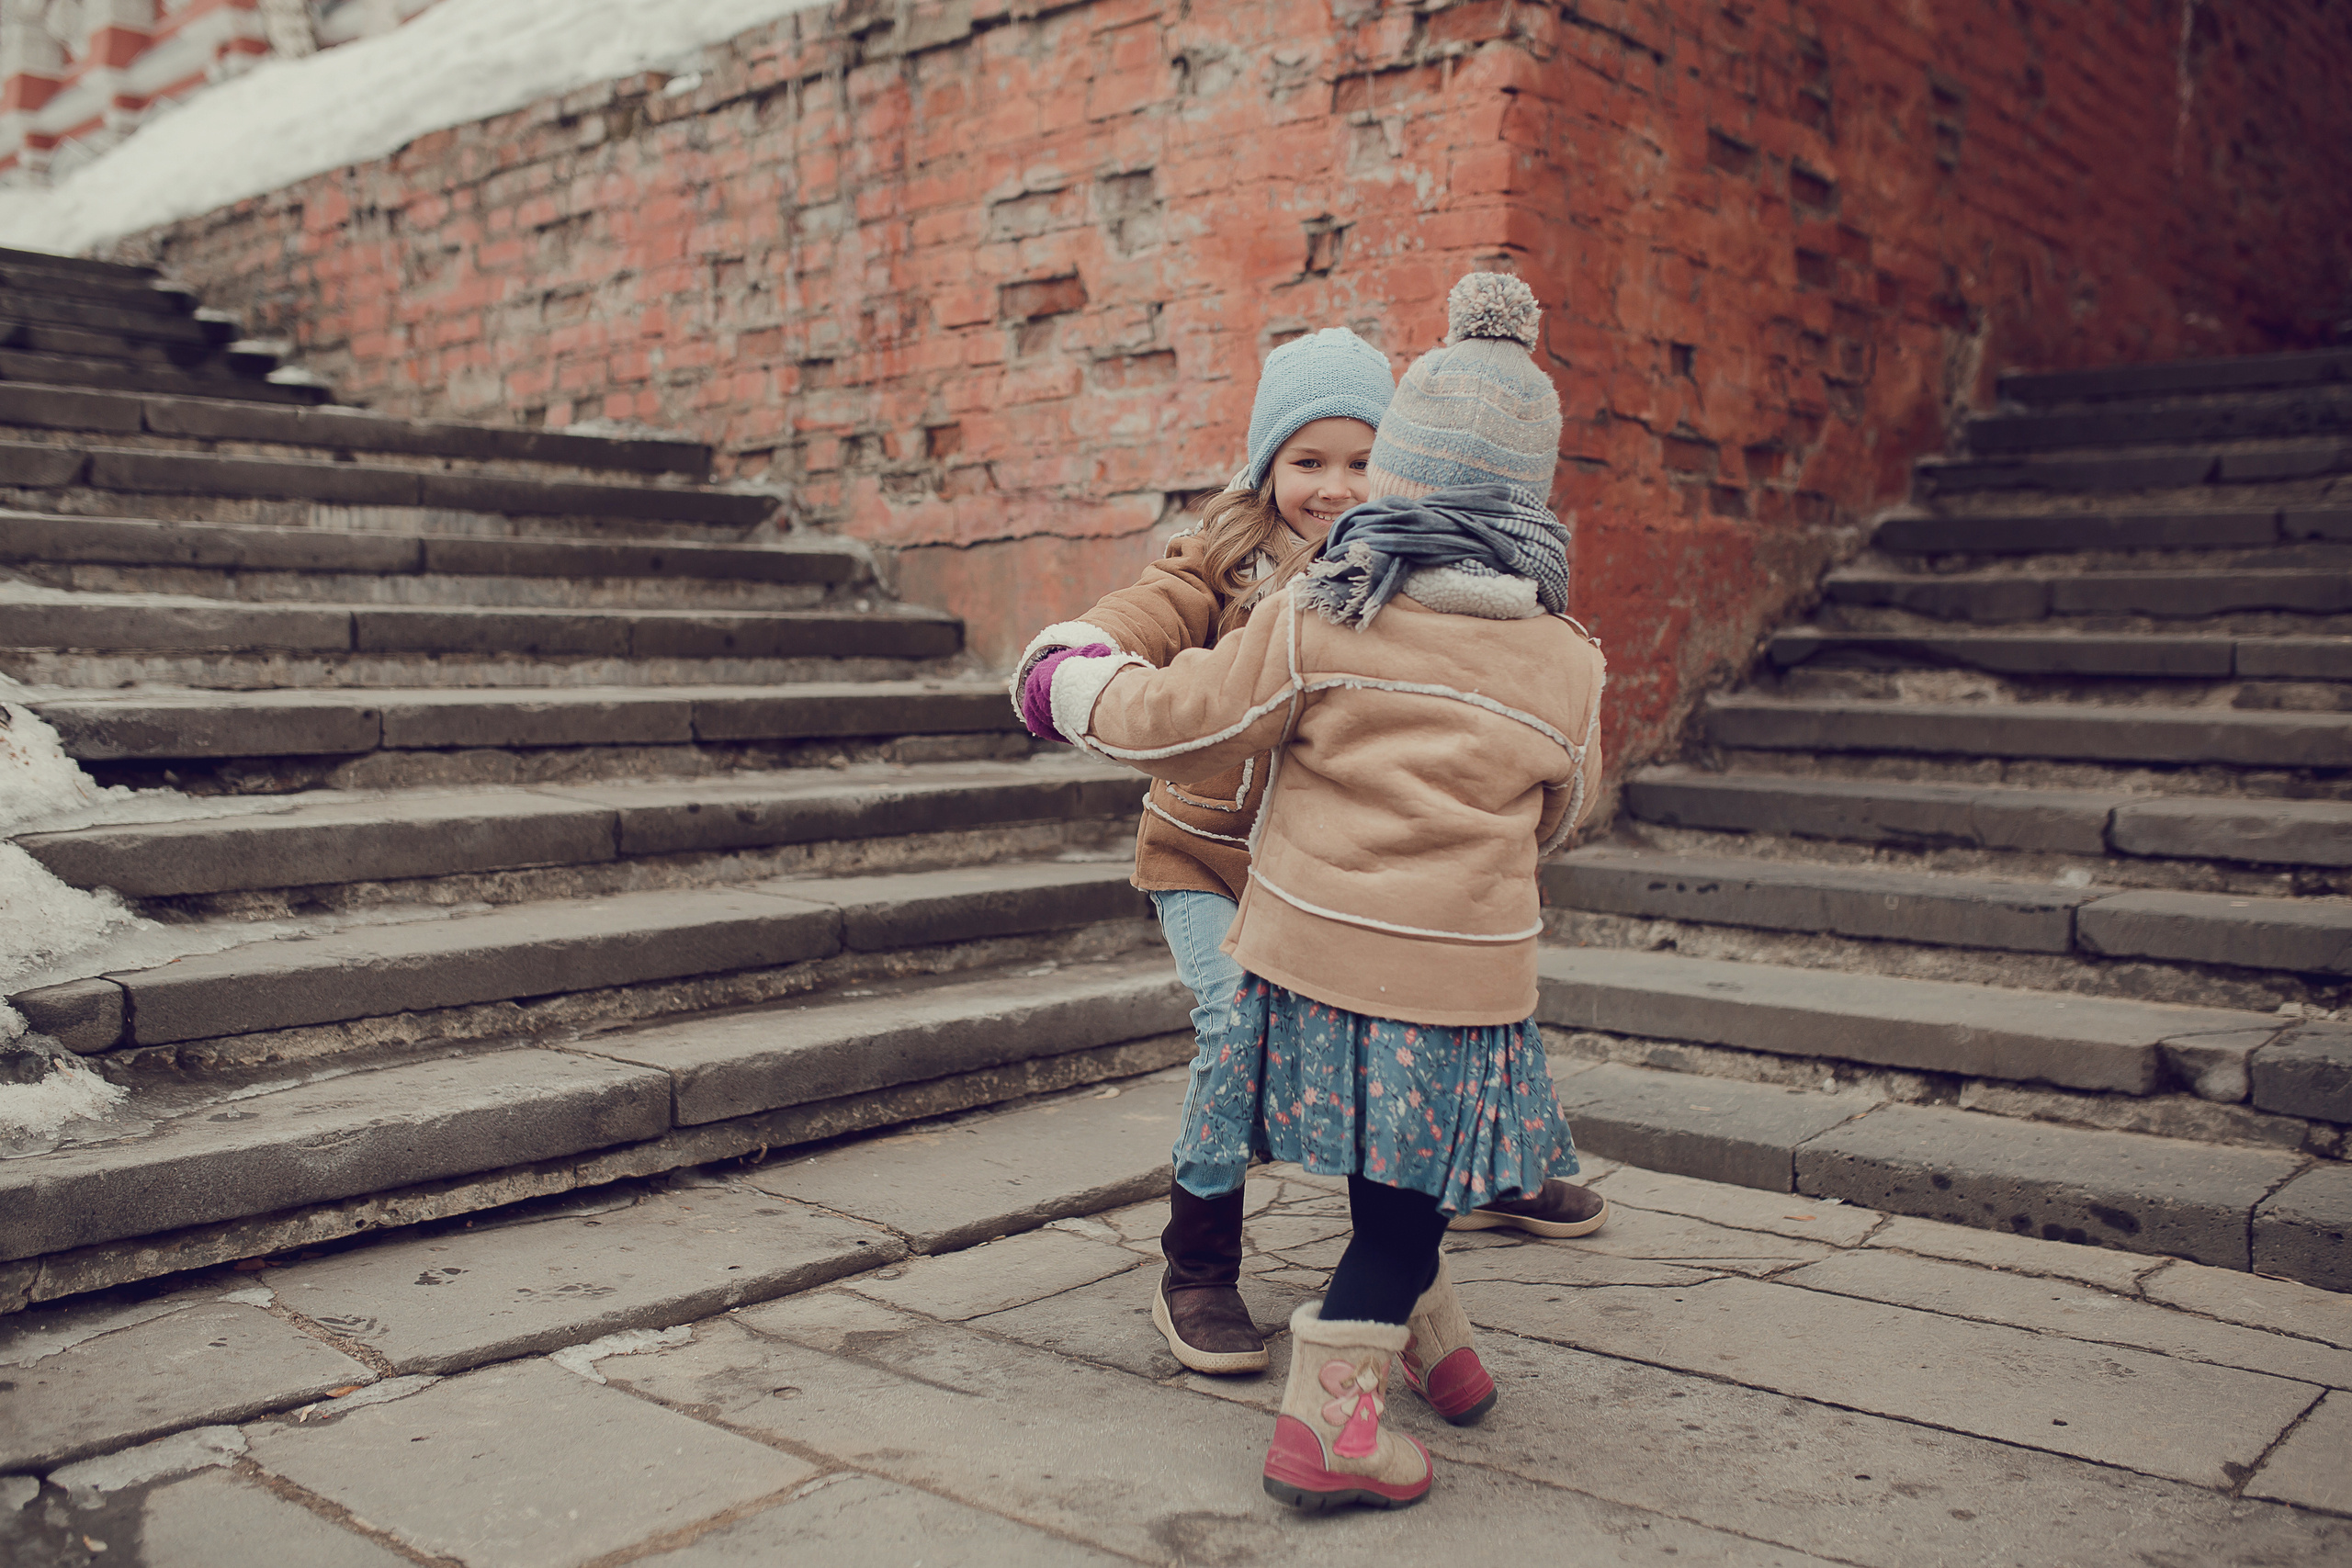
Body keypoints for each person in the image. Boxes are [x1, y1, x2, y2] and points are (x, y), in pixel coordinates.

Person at [1019, 273, 1606, 1511]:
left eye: (1364, 458)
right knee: (1391, 1160)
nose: (1335, 485)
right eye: (1309, 459)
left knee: (1376, 1150)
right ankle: (1248, 1301)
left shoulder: (1329, 611)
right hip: (1280, 891)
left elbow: (1185, 718)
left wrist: (1068, 688)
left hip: (1311, 919)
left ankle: (1384, 1381)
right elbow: (1564, 808)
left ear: (1398, 472)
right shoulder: (1565, 656)